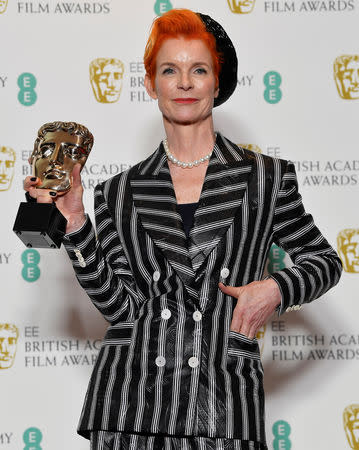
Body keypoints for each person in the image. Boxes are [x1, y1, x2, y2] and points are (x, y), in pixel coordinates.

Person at [24, 9, 342, 450]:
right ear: (151, 83)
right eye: (170, 70)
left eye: (199, 69)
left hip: (222, 403)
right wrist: (77, 222)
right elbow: (121, 310)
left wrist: (273, 290)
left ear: (217, 81)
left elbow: (324, 261)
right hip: (129, 408)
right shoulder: (118, 191)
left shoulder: (265, 178)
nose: (185, 83)